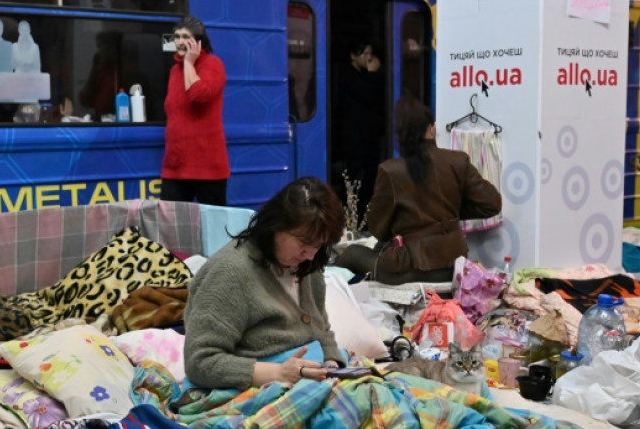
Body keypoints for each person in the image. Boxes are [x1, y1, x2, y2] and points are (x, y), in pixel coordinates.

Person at [183, 176, 346, 390]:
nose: (310, 254)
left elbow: (321, 329)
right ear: (275, 226)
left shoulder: (309, 265)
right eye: (304, 243)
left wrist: (332, 365)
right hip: (255, 389)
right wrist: (278, 373)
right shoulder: (231, 272)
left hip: (309, 381)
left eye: (319, 245)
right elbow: (199, 362)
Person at [334, 95, 502, 285]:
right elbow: (492, 204)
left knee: (353, 253)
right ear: (432, 128)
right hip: (453, 267)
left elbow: (378, 229)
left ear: (399, 136)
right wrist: (448, 214)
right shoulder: (457, 161)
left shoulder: (390, 170)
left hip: (408, 271)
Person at [161, 16, 229, 206]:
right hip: (175, 166)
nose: (180, 42)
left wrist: (190, 64)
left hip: (207, 167)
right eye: (177, 36)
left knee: (213, 226)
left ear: (198, 41)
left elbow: (199, 96)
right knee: (169, 224)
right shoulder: (175, 71)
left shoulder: (213, 64)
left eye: (185, 37)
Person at [333, 40, 384, 218]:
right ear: (353, 56)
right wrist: (371, 74)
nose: (369, 58)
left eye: (371, 53)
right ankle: (355, 215)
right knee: (355, 178)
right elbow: (367, 96)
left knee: (369, 176)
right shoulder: (347, 75)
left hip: (368, 136)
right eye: (365, 53)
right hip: (354, 137)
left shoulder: (364, 74)